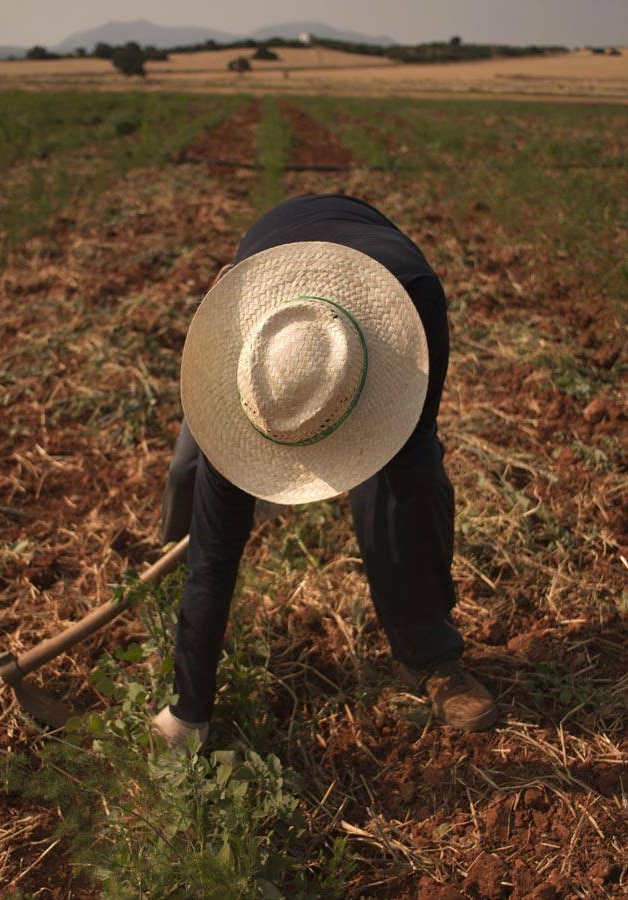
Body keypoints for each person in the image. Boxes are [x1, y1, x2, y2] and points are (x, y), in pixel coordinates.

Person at [153, 194, 497, 748]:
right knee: (192, 471)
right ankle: (171, 583)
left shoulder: (414, 306)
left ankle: (432, 657)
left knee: (406, 479)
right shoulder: (247, 348)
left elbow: (408, 453)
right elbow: (217, 559)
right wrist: (189, 714)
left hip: (390, 294)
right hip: (274, 248)